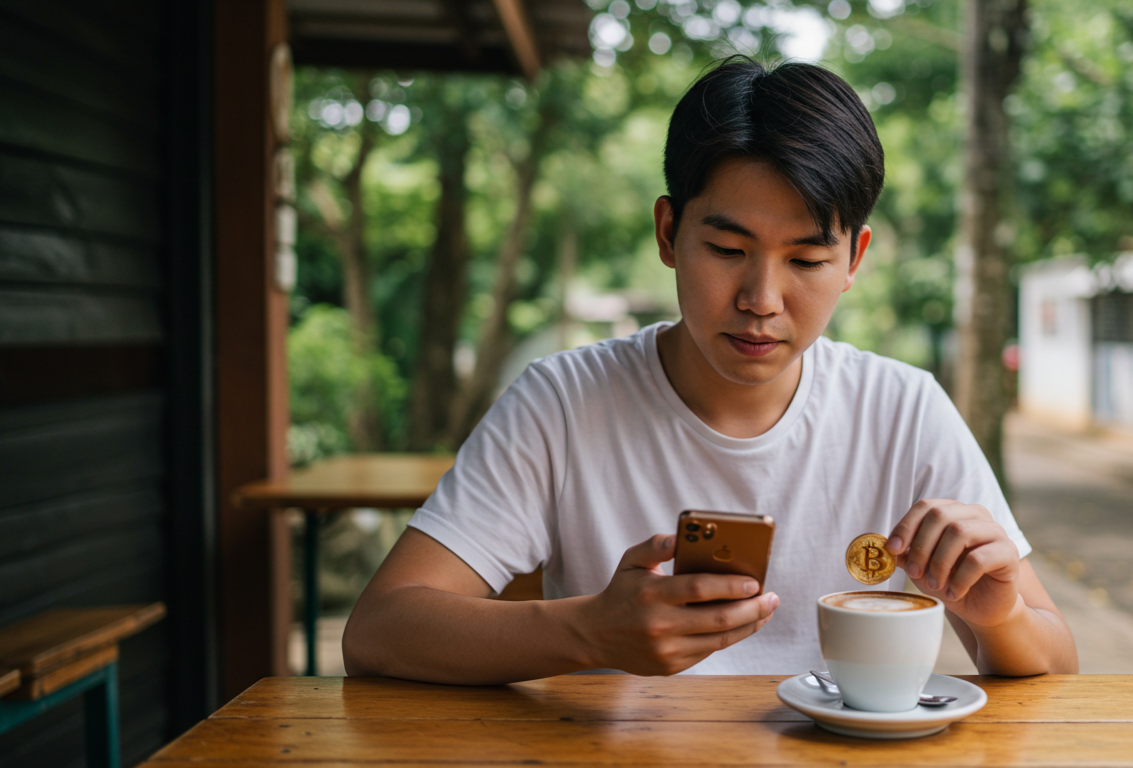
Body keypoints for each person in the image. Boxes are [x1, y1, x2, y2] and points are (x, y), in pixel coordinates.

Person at [342, 57, 1078, 683]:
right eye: (727, 250)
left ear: (853, 260)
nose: (761, 299)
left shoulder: (902, 410)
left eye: (807, 260)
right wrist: (588, 632)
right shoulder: (562, 403)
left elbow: (1057, 661)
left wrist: (1002, 614)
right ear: (669, 232)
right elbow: (378, 629)